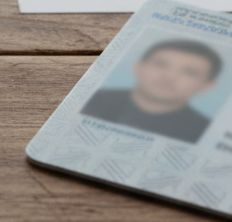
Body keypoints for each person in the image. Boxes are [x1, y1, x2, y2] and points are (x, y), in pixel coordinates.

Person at [82, 38, 222, 143]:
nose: (169, 77)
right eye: (161, 64)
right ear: (138, 67)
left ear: (207, 86)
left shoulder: (205, 133)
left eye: (189, 72)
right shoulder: (87, 99)